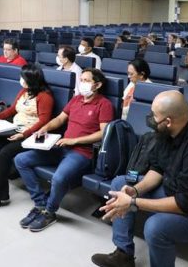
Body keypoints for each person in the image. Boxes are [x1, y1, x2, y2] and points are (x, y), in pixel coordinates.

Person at [92, 90, 188, 267]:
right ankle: (123, 255)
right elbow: (157, 169)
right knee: (120, 183)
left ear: (168, 121)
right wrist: (135, 191)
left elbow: (184, 204)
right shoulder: (167, 134)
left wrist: (133, 202)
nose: (150, 118)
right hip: (179, 191)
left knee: (155, 227)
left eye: (154, 115)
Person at [14, 68, 114, 232]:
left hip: (82, 152)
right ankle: (40, 204)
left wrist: (74, 140)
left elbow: (104, 133)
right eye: (81, 80)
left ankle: (50, 212)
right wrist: (44, 128)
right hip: (62, 146)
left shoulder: (104, 104)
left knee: (59, 178)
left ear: (98, 85)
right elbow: (60, 118)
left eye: (86, 80)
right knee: (20, 160)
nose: (82, 83)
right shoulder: (76, 100)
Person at [0, 63, 54, 214]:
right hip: (14, 129)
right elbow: (13, 109)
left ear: (31, 79)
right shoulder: (24, 92)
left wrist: (24, 134)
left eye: (23, 77)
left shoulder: (45, 97)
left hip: (30, 135)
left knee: (4, 154)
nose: (21, 79)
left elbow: (44, 121)